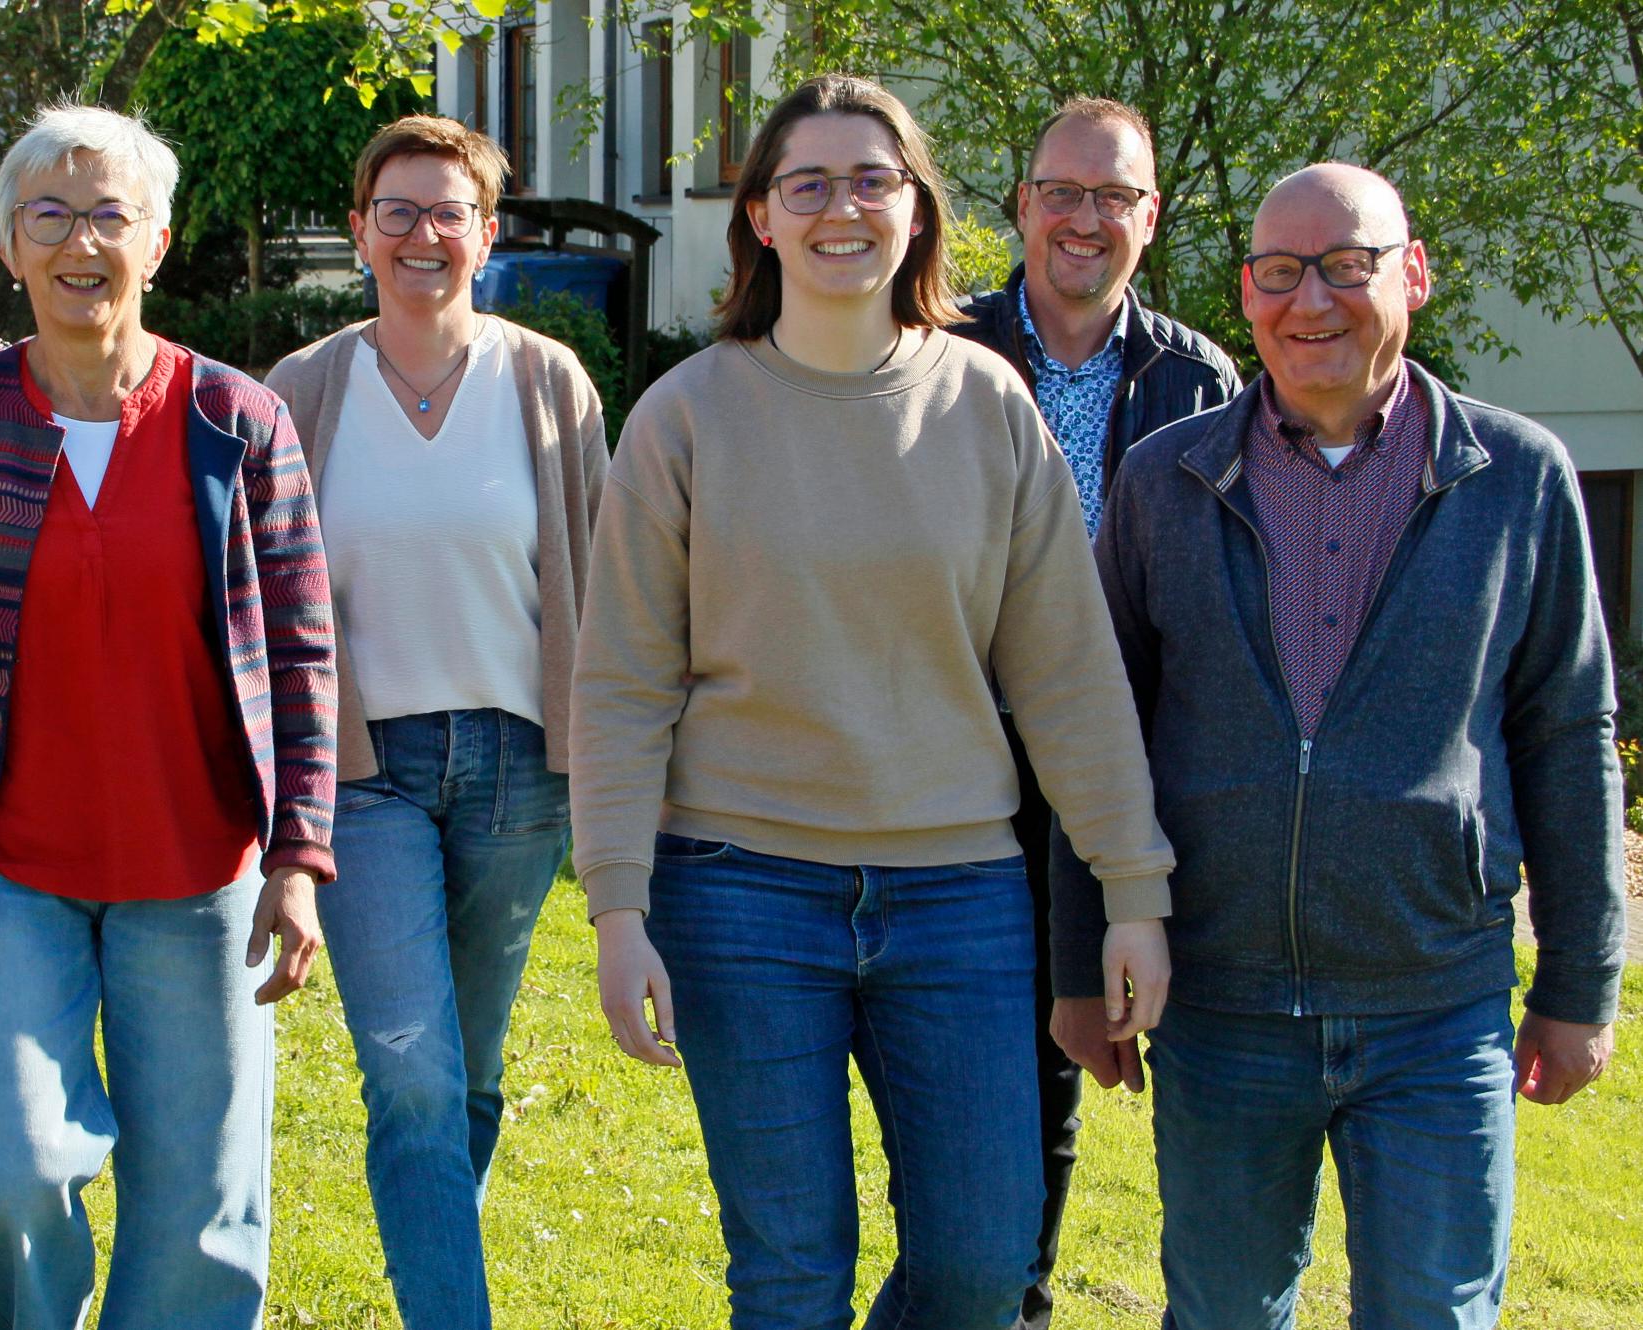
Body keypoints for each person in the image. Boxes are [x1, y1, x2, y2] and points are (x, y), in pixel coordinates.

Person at [569, 74, 1176, 1329]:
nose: (842, 206)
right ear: (761, 219)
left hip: (958, 894)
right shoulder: (684, 417)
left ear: (918, 213)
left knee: (979, 1267)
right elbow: (623, 682)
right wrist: (618, 907)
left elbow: (1066, 671)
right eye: (809, 183)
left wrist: (1131, 888)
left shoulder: (989, 405)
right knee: (791, 1277)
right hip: (740, 887)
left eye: (873, 179)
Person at [1051, 163, 1625, 1329]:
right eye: (1277, 272)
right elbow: (1098, 731)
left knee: (1432, 1312)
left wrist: (1578, 983)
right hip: (1223, 1006)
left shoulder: (1516, 479)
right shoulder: (1165, 480)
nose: (1309, 299)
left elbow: (1568, 733)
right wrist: (1074, 965)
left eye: (1346, 265)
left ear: (1411, 273)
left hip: (1436, 1006)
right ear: (1245, 292)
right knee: (1222, 1312)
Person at [0, 102, 334, 1330]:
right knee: (11, 1166)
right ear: (9, 247)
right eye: (50, 217)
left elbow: (301, 651)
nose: (83, 243)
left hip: (198, 869)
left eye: (109, 215)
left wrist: (299, 855)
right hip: (3, 862)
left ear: (158, 241)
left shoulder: (236, 421)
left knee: (198, 1202)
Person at [264, 114, 606, 1329]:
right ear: (360, 233)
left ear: (486, 232)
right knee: (409, 1071)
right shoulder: (302, 390)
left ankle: (430, 1264)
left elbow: (598, 584)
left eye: (448, 212)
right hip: (365, 775)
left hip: (520, 770)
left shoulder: (546, 380)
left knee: (466, 1070)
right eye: (397, 211)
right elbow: (256, 600)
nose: (423, 234)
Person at [946, 95, 1238, 1330]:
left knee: (1075, 1058)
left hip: (1123, 767)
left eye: (1112, 195)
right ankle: (984, 1282)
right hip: (957, 759)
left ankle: (1025, 1295)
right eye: (1059, 191)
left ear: (1150, 217)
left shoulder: (1199, 381)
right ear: (1019, 204)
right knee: (982, 1069)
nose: (1082, 218)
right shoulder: (940, 349)